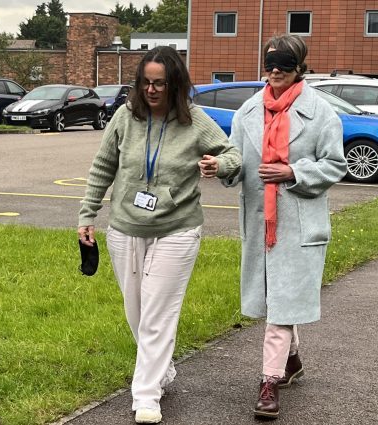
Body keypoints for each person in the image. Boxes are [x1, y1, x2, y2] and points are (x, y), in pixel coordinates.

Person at [77, 46, 242, 424]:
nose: (151, 91)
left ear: (175, 85)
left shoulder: (194, 120)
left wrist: (219, 163)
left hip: (177, 228)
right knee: (135, 310)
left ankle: (147, 395)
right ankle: (161, 369)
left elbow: (233, 154)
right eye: (146, 83)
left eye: (160, 84)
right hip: (125, 227)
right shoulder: (124, 117)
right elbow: (103, 166)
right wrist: (88, 214)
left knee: (157, 312)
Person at [222, 34, 346, 419]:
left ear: (299, 68)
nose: (275, 71)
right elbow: (235, 159)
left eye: (285, 65)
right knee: (279, 300)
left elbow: (335, 164)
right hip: (261, 225)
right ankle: (291, 361)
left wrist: (293, 171)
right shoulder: (247, 112)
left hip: (298, 223)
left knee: (281, 305)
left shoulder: (321, 113)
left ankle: (269, 382)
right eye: (270, 64)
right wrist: (219, 167)